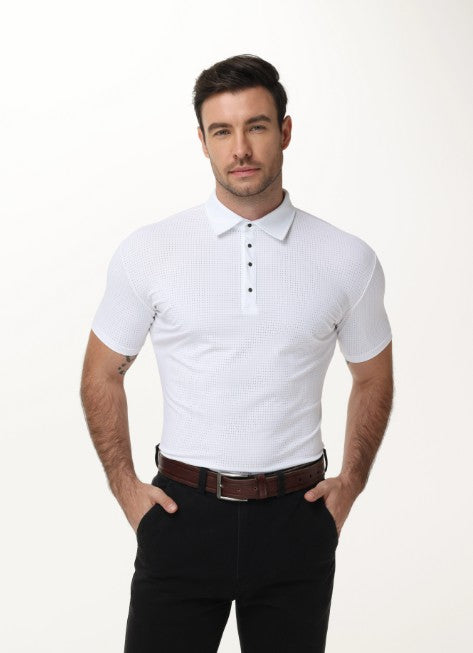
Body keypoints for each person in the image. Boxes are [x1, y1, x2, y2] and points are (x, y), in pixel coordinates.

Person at [80, 53, 394, 653]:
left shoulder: (346, 259)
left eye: (257, 126)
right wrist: (126, 488)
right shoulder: (151, 252)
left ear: (286, 131)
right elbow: (101, 373)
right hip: (181, 515)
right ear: (202, 141)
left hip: (297, 519)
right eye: (222, 131)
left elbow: (373, 377)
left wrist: (350, 483)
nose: (241, 149)